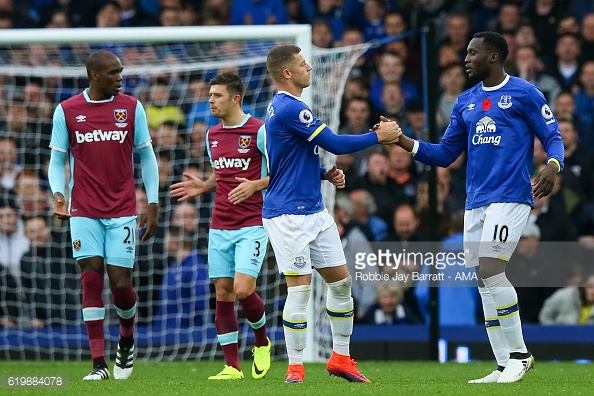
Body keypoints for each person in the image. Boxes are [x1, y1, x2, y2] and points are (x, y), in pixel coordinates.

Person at [389, 32, 564, 383]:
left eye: (472, 53)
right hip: (476, 202)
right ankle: (503, 364)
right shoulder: (465, 101)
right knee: (482, 281)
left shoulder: (524, 93)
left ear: (494, 57)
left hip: (511, 196)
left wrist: (553, 165)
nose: (465, 59)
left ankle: (520, 354)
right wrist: (402, 140)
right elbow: (444, 154)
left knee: (490, 270)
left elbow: (553, 135)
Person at [263, 44, 401, 384]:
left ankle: (340, 358)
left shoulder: (291, 107)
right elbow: (336, 145)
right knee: (300, 290)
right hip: (288, 215)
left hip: (313, 209)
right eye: (301, 63)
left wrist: (324, 174)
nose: (309, 67)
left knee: (341, 284)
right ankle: (295, 368)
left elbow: (289, 161)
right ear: (286, 73)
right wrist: (377, 136)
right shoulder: (288, 108)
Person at [48, 49, 159, 381]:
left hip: (123, 209)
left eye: (121, 72)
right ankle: (98, 363)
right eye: (113, 73)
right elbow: (57, 161)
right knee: (92, 278)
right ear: (95, 76)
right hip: (83, 209)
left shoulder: (131, 108)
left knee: (121, 284)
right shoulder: (67, 111)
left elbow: (147, 157)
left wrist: (152, 202)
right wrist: (59, 193)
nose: (120, 78)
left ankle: (126, 339)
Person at [170, 73, 272, 381]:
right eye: (210, 95)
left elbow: (282, 173)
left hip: (253, 223)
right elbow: (223, 175)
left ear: (235, 98)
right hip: (219, 225)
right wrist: (204, 186)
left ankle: (262, 341)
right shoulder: (212, 135)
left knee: (243, 289)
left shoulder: (260, 131)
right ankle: (232, 367)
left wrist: (255, 185)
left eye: (216, 95)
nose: (210, 100)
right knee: (224, 293)